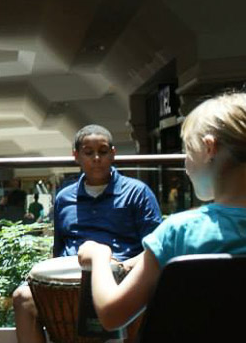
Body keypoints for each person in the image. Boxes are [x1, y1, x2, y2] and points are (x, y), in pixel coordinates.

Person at [78, 91, 246, 331]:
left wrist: (100, 256)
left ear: (209, 148)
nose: (186, 162)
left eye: (188, 149)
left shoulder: (178, 233)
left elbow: (111, 315)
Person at [12, 124, 162, 343]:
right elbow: (58, 251)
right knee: (22, 298)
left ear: (113, 153)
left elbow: (156, 248)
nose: (96, 158)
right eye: (89, 152)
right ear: (76, 156)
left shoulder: (138, 192)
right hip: (72, 280)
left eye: (103, 151)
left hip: (121, 277)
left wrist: (125, 267)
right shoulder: (64, 197)